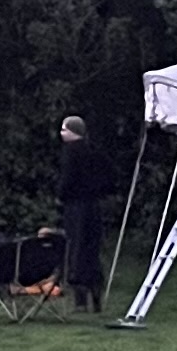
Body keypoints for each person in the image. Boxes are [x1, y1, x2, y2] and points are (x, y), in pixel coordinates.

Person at [57, 112, 105, 314]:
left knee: (76, 250)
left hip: (76, 207)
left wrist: (61, 195)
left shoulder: (71, 153)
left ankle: (80, 300)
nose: (61, 133)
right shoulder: (94, 152)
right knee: (91, 249)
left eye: (64, 129)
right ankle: (96, 296)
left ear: (73, 132)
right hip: (93, 207)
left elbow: (67, 180)